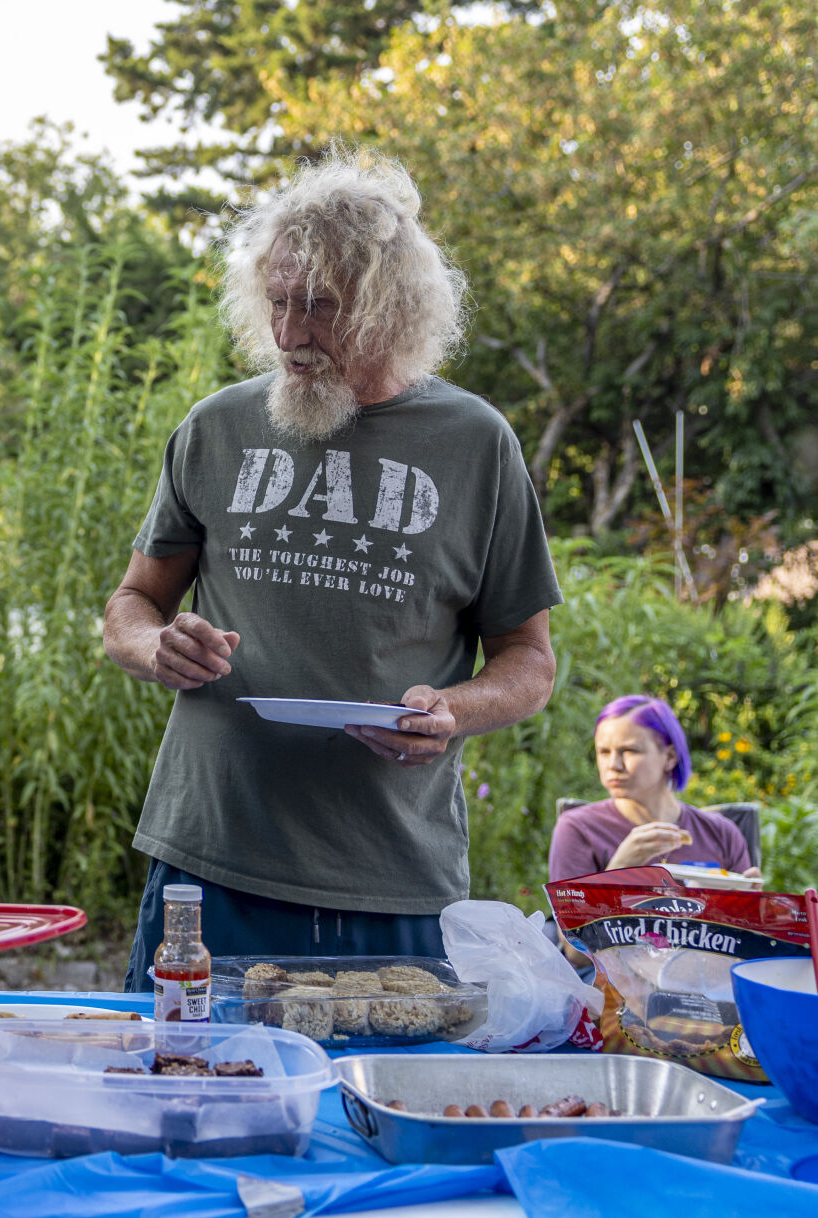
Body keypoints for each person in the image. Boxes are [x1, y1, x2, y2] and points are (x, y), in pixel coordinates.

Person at [103, 149, 562, 989]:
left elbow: (530, 660)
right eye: (277, 302)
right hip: (210, 861)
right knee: (177, 1096)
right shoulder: (215, 429)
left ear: (392, 308)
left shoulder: (476, 444)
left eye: (319, 307)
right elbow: (132, 603)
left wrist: (452, 710)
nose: (288, 334)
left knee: (370, 1107)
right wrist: (153, 646)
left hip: (392, 878)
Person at [549, 694, 757, 881]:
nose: (613, 764)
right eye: (604, 752)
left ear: (669, 757)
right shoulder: (579, 828)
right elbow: (570, 924)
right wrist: (621, 868)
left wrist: (750, 909)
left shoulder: (721, 833)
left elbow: (740, 922)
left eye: (629, 750)